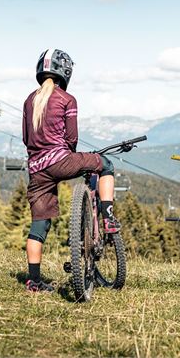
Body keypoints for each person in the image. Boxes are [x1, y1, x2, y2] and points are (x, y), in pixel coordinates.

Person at [22, 48, 119, 293]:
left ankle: (33, 281)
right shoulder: (67, 99)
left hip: (37, 170)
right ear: (65, 72)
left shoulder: (29, 100)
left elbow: (26, 138)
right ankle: (107, 218)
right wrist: (69, 157)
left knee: (39, 226)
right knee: (106, 164)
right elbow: (72, 138)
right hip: (62, 161)